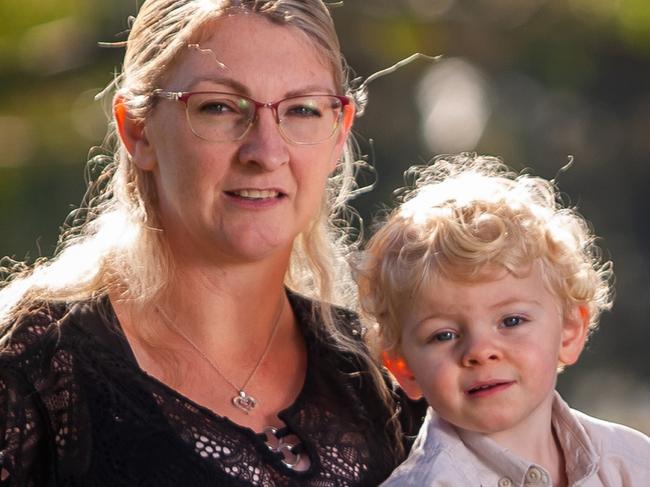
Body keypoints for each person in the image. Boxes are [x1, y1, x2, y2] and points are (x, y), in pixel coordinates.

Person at [0, 1, 425, 485]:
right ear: (137, 131)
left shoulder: (393, 378)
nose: (266, 152)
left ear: (337, 135)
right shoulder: (32, 372)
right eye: (219, 107)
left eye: (302, 109)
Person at [355, 154, 650, 486]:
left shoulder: (634, 463)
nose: (480, 351)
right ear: (402, 367)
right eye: (443, 335)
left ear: (569, 331)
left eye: (511, 321)